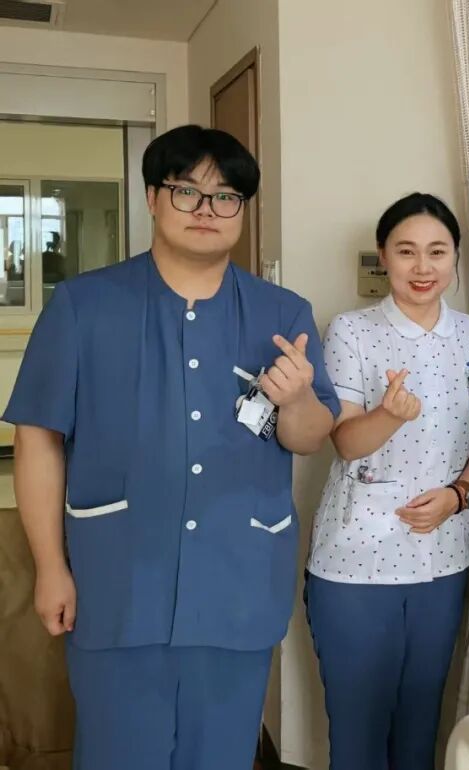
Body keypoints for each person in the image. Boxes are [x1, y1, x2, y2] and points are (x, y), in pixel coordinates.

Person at [3, 124, 339, 770]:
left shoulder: (282, 313)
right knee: (117, 753)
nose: (207, 209)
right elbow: (39, 438)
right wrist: (49, 566)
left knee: (221, 755)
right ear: (153, 199)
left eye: (226, 196)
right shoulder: (83, 306)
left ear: (242, 210)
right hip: (119, 580)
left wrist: (298, 399)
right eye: (187, 191)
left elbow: (307, 435)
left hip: (239, 580)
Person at [305, 193, 469, 769]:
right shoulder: (352, 331)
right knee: (359, 730)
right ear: (383, 256)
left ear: (456, 257)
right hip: (355, 560)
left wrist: (458, 495)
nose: (423, 267)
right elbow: (345, 442)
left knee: (420, 724)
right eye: (407, 251)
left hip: (442, 554)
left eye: (437, 252)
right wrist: (389, 416)